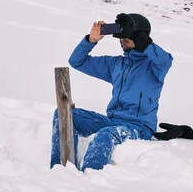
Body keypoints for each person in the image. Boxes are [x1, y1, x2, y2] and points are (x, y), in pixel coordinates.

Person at [51, 13, 174, 171]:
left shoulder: (154, 67)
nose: (123, 41)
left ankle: (89, 178)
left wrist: (146, 43)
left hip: (139, 127)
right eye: (122, 37)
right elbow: (76, 61)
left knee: (105, 135)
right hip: (112, 122)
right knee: (65, 114)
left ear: (140, 37)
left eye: (128, 37)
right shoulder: (116, 64)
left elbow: (165, 60)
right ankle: (59, 169)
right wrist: (91, 40)